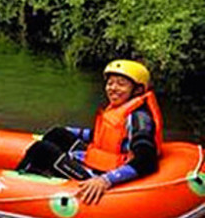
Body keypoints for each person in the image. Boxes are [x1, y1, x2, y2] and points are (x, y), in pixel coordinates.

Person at [16, 60, 163, 205]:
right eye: (110, 83)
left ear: (137, 90)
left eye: (121, 84)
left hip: (102, 173)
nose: (113, 88)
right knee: (58, 134)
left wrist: (106, 180)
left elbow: (146, 161)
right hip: (99, 161)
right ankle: (39, 173)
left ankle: (14, 185)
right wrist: (69, 131)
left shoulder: (139, 119)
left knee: (42, 150)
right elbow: (104, 136)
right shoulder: (122, 107)